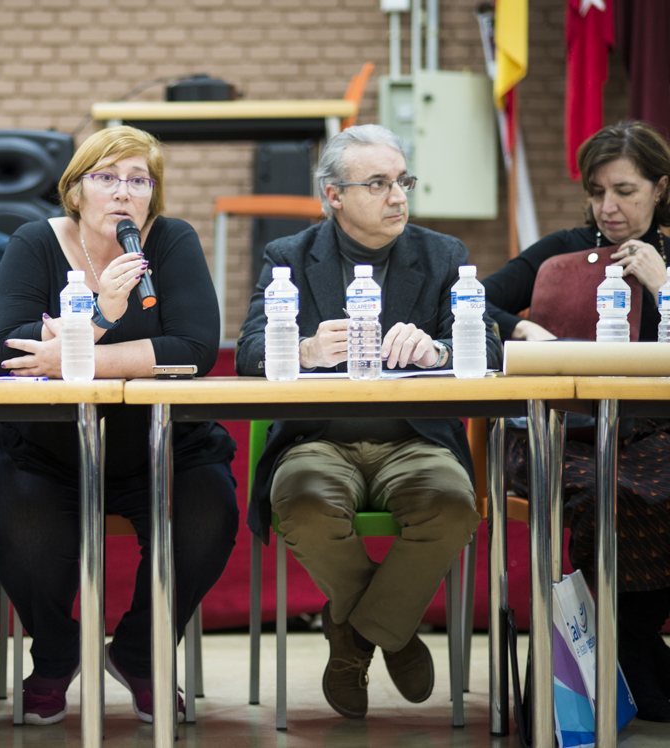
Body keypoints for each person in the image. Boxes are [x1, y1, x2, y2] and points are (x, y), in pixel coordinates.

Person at [235, 124, 500, 720]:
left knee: (454, 505)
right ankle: (396, 633)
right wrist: (300, 349)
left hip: (416, 438)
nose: (398, 196)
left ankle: (353, 634)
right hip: (318, 439)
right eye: (378, 184)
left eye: (402, 180)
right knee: (300, 502)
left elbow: (488, 345)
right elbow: (250, 349)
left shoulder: (443, 256)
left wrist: (439, 349)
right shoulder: (290, 258)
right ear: (333, 195)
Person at [0, 126, 238, 725]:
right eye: (107, 178)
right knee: (21, 517)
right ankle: (55, 653)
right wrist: (102, 317)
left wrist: (75, 356)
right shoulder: (32, 243)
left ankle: (141, 653)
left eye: (139, 181)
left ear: (153, 196)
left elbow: (194, 350)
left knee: (208, 512)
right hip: (46, 446)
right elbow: (7, 354)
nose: (124, 193)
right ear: (76, 191)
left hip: (161, 444)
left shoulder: (170, 244)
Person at [483, 120, 670, 721]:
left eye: (625, 191)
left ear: (660, 188)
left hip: (655, 432)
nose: (608, 208)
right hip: (564, 430)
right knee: (607, 489)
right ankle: (632, 661)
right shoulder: (561, 252)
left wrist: (664, 287)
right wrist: (520, 326)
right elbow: (470, 298)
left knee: (655, 486)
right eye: (597, 192)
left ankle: (629, 655)